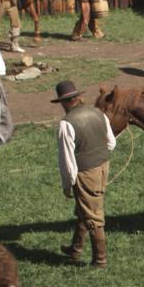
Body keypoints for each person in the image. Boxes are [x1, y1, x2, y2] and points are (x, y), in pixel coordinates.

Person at [54, 80, 116, 268]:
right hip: (103, 166)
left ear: (64, 102)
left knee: (93, 214)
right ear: (78, 97)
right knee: (85, 207)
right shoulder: (98, 113)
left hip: (85, 173)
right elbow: (111, 144)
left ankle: (100, 260)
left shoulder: (66, 124)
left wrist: (67, 184)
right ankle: (76, 248)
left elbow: (67, 161)